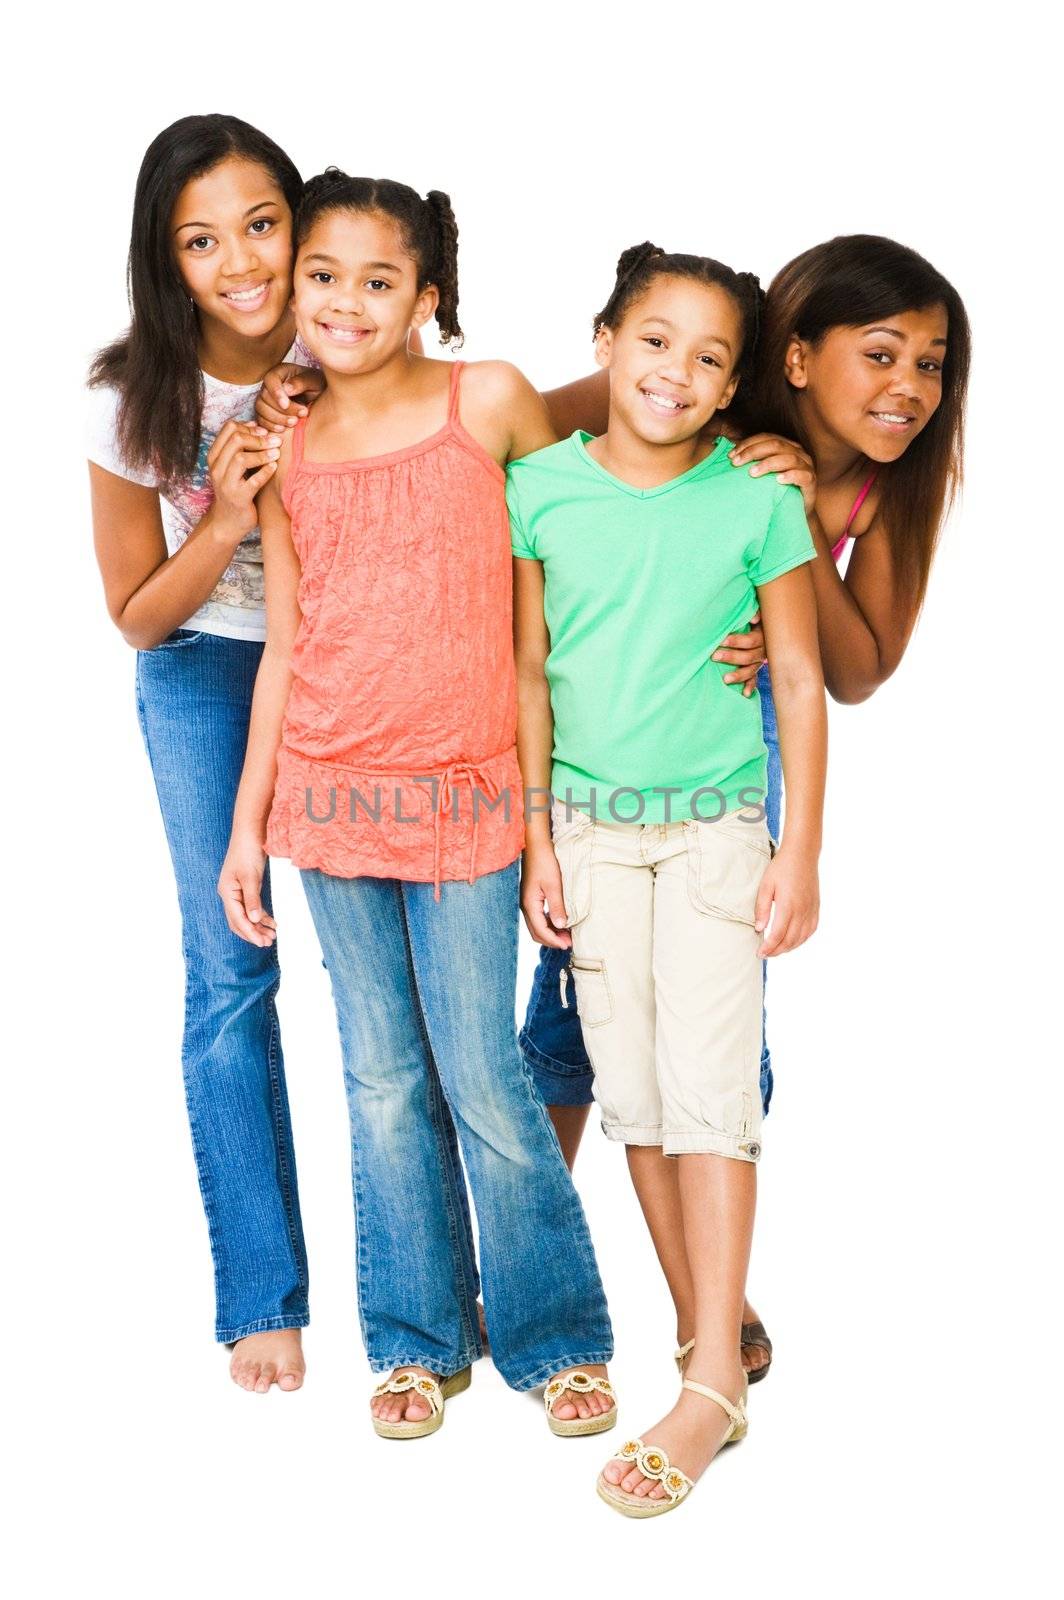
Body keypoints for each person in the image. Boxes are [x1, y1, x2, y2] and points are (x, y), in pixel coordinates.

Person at [517, 235, 971, 1383]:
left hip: (743, 735)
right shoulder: (696, 389)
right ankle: (534, 1262)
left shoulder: (887, 476)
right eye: (882, 355)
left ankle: (701, 1307)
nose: (908, 387)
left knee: (716, 1032)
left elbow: (855, 666)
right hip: (607, 721)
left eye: (931, 364)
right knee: (580, 1012)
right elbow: (533, 437)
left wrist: (781, 556)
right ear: (799, 358)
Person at [220, 170, 614, 1439]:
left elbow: (586, 547)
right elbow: (286, 642)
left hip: (465, 792)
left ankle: (552, 1336)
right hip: (328, 800)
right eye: (320, 276)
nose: (343, 301)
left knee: (482, 1074)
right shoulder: (288, 448)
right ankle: (412, 1341)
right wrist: (246, 825)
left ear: (424, 296)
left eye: (376, 279)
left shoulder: (484, 400)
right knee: (382, 1078)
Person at [510, 242, 826, 1514]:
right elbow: (526, 671)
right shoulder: (537, 486)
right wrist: (535, 837)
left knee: (709, 1101)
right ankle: (713, 1353)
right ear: (603, 342)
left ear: (732, 384)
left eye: (707, 358)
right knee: (634, 1100)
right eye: (653, 341)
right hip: (583, 832)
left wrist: (797, 848)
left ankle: (707, 1389)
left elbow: (797, 680)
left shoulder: (755, 501)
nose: (674, 371)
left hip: (711, 832)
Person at [88, 114, 322, 1394]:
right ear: (163, 259)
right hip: (200, 673)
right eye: (199, 238)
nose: (240, 260)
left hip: (344, 661)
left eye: (260, 222)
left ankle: (431, 1292)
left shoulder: (349, 327)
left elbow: (494, 430)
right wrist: (226, 513)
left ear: (299, 219)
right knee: (228, 972)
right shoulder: (129, 394)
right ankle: (262, 1298)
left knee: (390, 979)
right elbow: (133, 615)